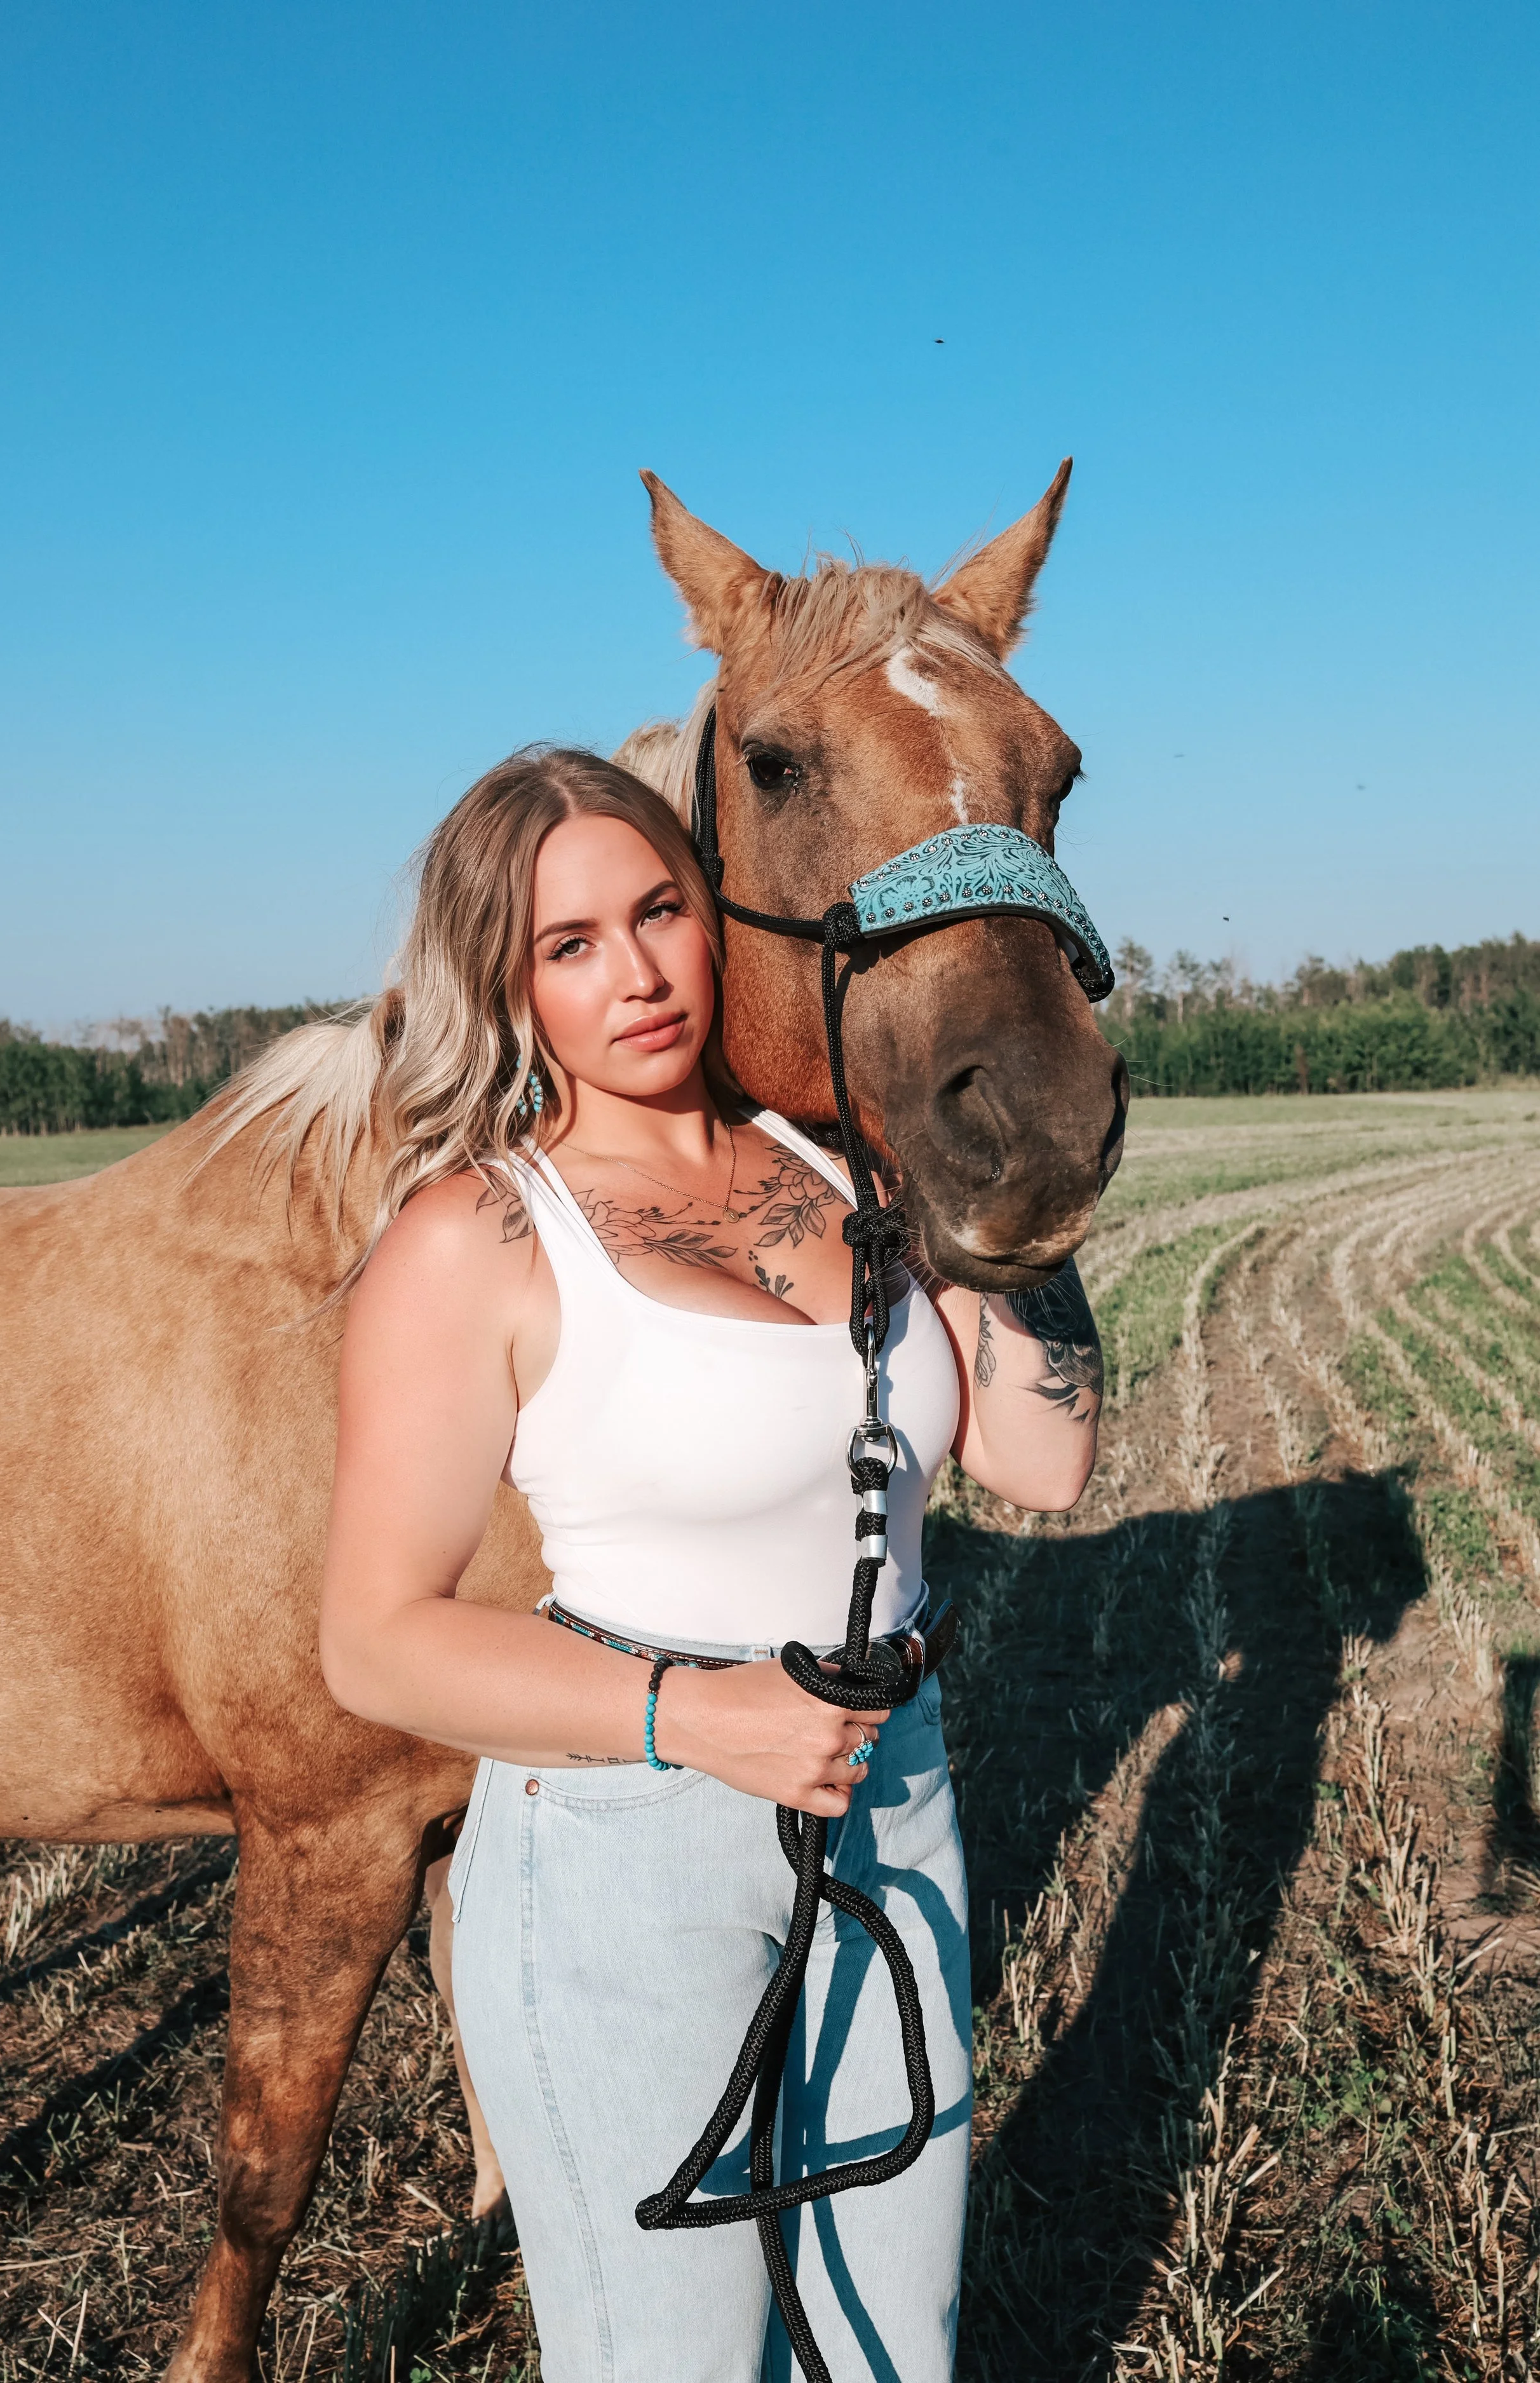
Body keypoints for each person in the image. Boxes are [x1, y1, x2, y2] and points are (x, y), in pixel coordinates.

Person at [320, 747, 1102, 2381]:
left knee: (892, 2351)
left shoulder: (848, 1173)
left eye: (659, 910)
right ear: (507, 984)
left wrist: (1017, 1180)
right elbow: (376, 1643)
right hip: (624, 1845)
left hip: (897, 1800)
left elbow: (1043, 1458)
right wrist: (700, 1717)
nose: (639, 974)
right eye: (571, 944)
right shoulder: (475, 1239)